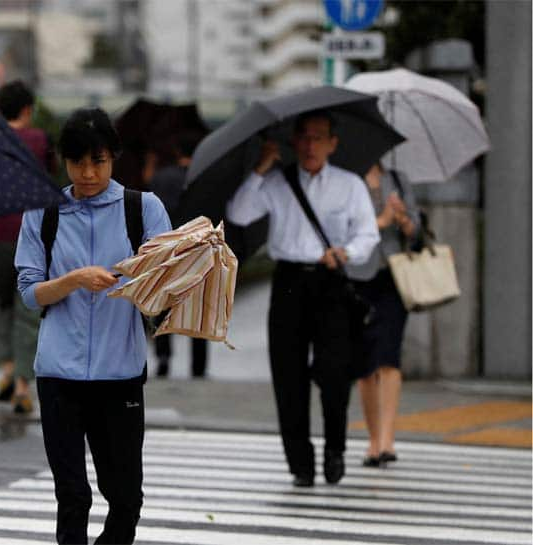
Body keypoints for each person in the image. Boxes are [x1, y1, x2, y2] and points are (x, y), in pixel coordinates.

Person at [15, 108, 171, 543]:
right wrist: (73, 280)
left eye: (98, 162)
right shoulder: (43, 213)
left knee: (126, 499)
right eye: (77, 162)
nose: (87, 173)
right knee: (73, 495)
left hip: (119, 375)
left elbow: (165, 287)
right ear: (63, 161)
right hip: (58, 376)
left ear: (113, 159)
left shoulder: (143, 209)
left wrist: (142, 281)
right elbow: (29, 293)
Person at [226, 110, 380, 487]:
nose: (310, 145)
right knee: (288, 374)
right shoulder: (277, 182)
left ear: (332, 143)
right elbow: (238, 213)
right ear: (293, 142)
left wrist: (346, 253)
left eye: (318, 137)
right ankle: (300, 463)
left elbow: (368, 234)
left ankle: (335, 449)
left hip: (331, 282)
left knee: (334, 371)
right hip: (289, 281)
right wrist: (261, 168)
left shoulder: (350, 184)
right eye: (304, 137)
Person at [0, 80, 55, 414]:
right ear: (27, 110)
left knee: (1, 302)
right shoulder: (40, 140)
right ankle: (23, 388)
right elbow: (52, 184)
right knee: (28, 308)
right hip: (32, 233)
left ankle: (7, 370)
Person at [347, 163, 420, 467]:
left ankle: (388, 442)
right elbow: (340, 230)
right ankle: (373, 440)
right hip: (357, 278)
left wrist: (403, 220)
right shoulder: (347, 180)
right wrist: (380, 221)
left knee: (389, 357)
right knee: (365, 365)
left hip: (393, 276)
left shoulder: (398, 178)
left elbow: (416, 230)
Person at [148, 130, 209, 378]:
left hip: (167, 248)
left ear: (177, 152)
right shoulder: (203, 179)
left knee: (163, 305)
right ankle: (198, 365)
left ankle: (163, 358)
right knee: (197, 306)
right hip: (197, 249)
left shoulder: (161, 177)